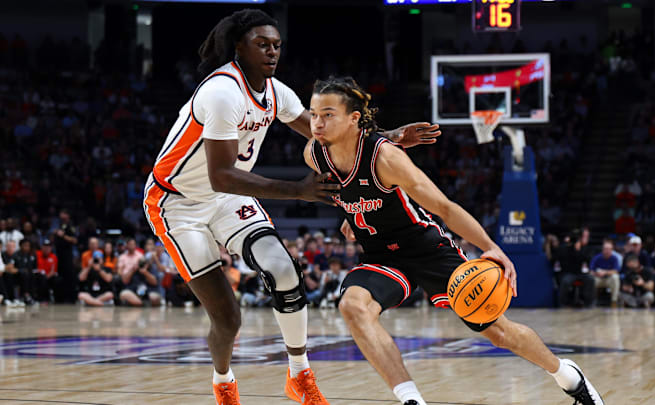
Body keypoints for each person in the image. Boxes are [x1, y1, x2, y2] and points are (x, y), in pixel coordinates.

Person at [142, 9, 440, 405]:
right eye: (262, 44)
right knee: (228, 317)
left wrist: (388, 137)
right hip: (177, 203)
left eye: (276, 46)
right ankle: (223, 382)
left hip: (227, 197)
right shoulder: (220, 92)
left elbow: (329, 136)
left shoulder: (276, 92)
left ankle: (299, 375)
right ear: (238, 48)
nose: (272, 52)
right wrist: (297, 191)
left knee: (285, 271)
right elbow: (222, 175)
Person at [302, 77, 604, 405]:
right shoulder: (314, 154)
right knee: (352, 306)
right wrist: (352, 215)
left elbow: (445, 208)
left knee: (499, 333)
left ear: (353, 118)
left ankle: (567, 375)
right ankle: (411, 400)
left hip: (426, 248)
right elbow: (347, 187)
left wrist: (491, 247)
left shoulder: (386, 158)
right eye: (314, 113)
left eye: (327, 114)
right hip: (381, 256)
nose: (317, 122)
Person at [589, 240, 620, 307]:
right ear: (602, 249)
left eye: (609, 249)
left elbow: (616, 271)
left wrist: (605, 272)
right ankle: (591, 300)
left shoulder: (614, 258)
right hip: (598, 278)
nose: (607, 251)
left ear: (612, 250)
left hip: (609, 279)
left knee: (616, 277)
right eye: (605, 249)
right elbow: (591, 270)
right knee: (590, 279)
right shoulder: (597, 258)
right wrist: (597, 273)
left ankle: (614, 301)